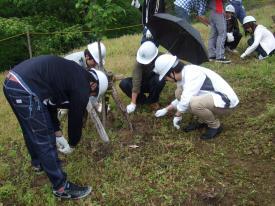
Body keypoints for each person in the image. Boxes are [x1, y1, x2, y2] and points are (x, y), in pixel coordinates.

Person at [3, 55, 108, 199]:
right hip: (24, 87)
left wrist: (58, 132)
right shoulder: (82, 86)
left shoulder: (73, 75)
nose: (88, 96)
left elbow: (50, 104)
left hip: (11, 82)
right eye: (93, 94)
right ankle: (61, 187)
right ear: (94, 85)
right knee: (44, 137)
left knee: (30, 128)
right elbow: (75, 118)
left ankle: (38, 163)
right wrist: (72, 143)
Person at [153, 54, 239, 140]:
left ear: (172, 73)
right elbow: (183, 97)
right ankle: (203, 120)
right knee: (179, 92)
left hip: (226, 102)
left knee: (195, 104)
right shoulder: (184, 74)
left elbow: (186, 99)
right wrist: (166, 109)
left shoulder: (193, 73)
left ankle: (215, 126)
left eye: (166, 78)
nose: (166, 80)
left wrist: (177, 115)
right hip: (212, 97)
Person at [56, 42, 107, 152]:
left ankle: (80, 125)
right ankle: (57, 125)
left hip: (75, 87)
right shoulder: (75, 63)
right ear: (88, 56)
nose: (96, 65)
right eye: (95, 62)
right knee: (68, 108)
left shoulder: (89, 61)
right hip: (62, 87)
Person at [119, 41, 165, 114]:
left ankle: (152, 101)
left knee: (160, 80)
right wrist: (133, 103)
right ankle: (142, 101)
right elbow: (136, 82)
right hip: (142, 83)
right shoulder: (139, 62)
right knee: (124, 83)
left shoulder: (163, 58)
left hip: (154, 83)